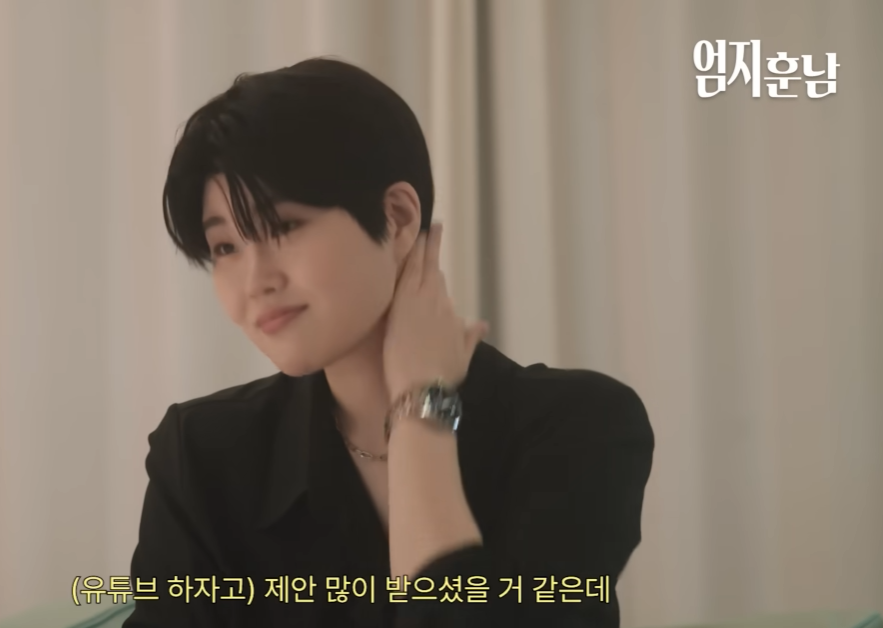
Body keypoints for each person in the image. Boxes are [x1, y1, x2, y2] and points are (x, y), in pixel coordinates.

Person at [123, 56, 654, 628]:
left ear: (397, 217)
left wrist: (422, 413)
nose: (255, 282)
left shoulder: (579, 426)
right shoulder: (202, 456)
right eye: (226, 247)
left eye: (284, 226)